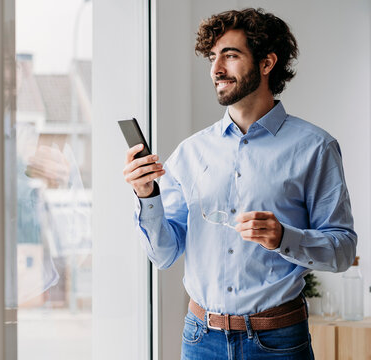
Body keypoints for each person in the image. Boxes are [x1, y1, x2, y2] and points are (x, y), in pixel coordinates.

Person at [122, 8, 357, 360]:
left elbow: (343, 251)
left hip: (278, 342)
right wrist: (147, 196)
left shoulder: (315, 148)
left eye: (230, 56)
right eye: (213, 58)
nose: (216, 69)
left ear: (266, 63)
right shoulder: (191, 152)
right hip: (201, 340)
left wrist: (283, 238)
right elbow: (164, 253)